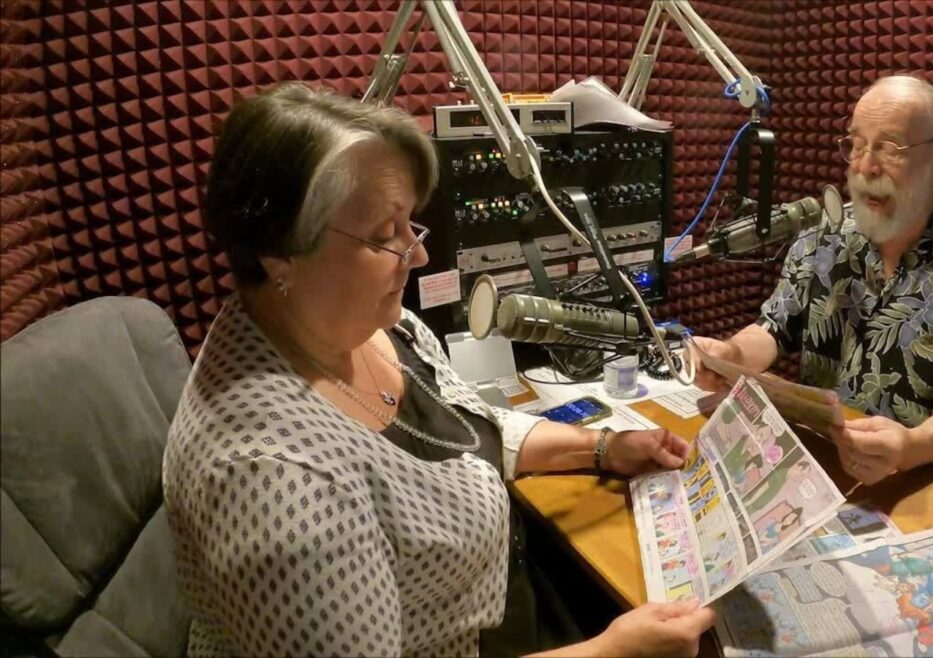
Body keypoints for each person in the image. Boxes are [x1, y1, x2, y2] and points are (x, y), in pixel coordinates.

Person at [163, 82, 715, 657]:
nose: (419, 254)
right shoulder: (275, 483)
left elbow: (470, 430)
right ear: (279, 256)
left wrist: (603, 447)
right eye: (384, 236)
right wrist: (617, 652)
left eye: (410, 224)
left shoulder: (373, 326)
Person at [690, 74, 933, 486]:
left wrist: (910, 447)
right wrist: (731, 354)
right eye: (857, 144)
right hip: (821, 464)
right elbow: (774, 329)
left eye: (890, 148)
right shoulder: (821, 235)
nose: (865, 167)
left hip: (915, 475)